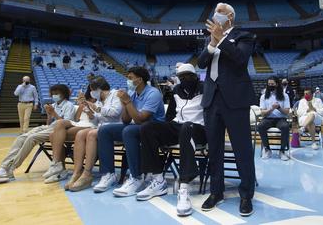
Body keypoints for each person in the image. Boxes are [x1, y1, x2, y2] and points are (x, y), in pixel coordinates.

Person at [197, 2, 257, 217]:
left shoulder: (244, 36)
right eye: (215, 12)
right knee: (214, 149)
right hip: (212, 100)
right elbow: (201, 63)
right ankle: (216, 191)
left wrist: (221, 38)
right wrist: (212, 43)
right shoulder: (211, 38)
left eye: (221, 12)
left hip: (236, 100)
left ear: (230, 16)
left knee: (242, 150)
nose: (216, 15)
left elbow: (240, 61)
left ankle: (246, 194)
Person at [137, 63, 206, 216]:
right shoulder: (176, 90)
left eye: (189, 76)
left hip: (199, 128)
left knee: (187, 127)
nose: (186, 79)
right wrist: (164, 134)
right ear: (179, 79)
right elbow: (169, 117)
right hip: (179, 125)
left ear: (195, 76)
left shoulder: (204, 88)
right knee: (147, 128)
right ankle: (158, 179)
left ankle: (184, 186)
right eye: (182, 77)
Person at [0, 84, 75, 184]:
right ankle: (4, 168)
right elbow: (49, 123)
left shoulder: (69, 105)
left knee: (32, 138)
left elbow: (65, 124)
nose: (54, 95)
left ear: (63, 94)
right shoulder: (55, 104)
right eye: (53, 94)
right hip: (49, 127)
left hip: (59, 130)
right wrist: (49, 115)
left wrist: (54, 113)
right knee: (21, 138)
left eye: (57, 93)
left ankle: (10, 169)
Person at [95, 66, 165, 196]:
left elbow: (140, 120)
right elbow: (126, 120)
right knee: (104, 130)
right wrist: (125, 103)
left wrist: (127, 102)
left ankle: (136, 177)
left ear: (140, 79)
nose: (128, 80)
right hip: (138, 127)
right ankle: (109, 174)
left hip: (155, 129)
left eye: (130, 78)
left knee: (129, 131)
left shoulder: (153, 93)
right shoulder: (133, 94)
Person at [46, 76, 122, 187]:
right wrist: (88, 110)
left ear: (99, 89)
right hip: (101, 127)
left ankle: (87, 173)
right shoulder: (101, 101)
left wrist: (93, 106)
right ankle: (77, 172)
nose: (91, 93)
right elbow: (96, 119)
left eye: (92, 90)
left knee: (89, 134)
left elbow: (114, 112)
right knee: (80, 134)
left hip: (115, 127)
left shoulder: (116, 94)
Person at [258, 77, 291, 161]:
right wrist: (271, 109)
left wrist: (279, 107)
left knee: (285, 127)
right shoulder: (263, 96)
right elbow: (262, 113)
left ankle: (282, 151)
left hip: (281, 119)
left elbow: (287, 112)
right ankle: (267, 149)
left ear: (277, 84)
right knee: (260, 126)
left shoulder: (285, 95)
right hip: (268, 119)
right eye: (269, 84)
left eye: (272, 84)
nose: (270, 86)